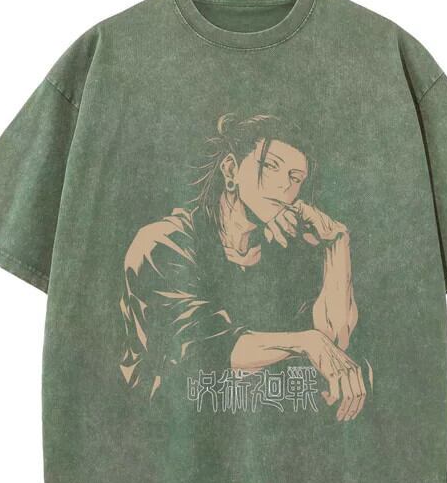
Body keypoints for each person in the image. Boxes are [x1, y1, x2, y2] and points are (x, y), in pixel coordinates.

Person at [119, 113, 369, 421]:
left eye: (295, 178)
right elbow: (203, 347)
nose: (284, 185)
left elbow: (335, 348)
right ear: (231, 170)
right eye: (271, 166)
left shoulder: (287, 252)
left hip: (269, 429)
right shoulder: (163, 241)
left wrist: (336, 243)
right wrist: (306, 342)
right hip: (167, 429)